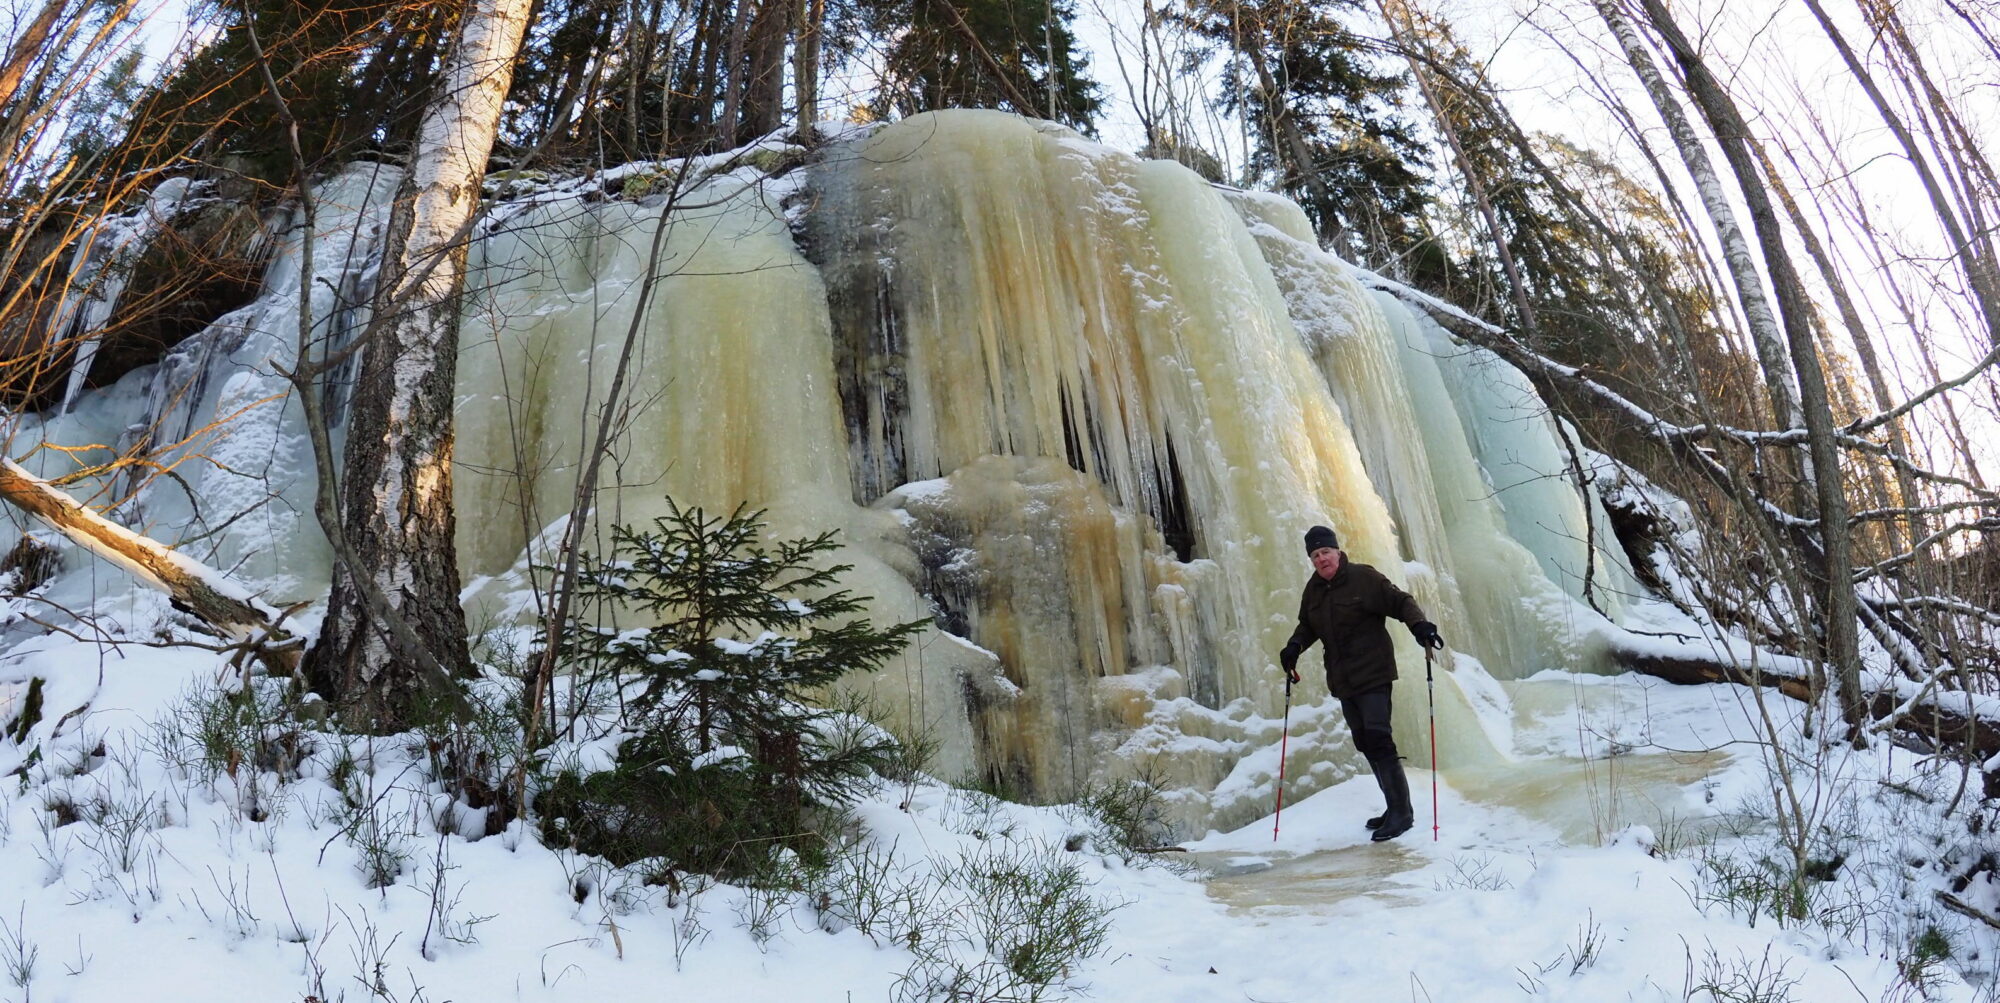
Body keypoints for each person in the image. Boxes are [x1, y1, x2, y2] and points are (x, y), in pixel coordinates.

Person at [1278, 524, 1445, 842]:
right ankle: (1393, 806)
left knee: (1379, 737)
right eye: (1315, 555)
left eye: (1325, 551)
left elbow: (1400, 601)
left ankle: (1403, 814)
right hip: (1343, 680)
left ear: (1337, 551)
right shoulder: (1313, 590)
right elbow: (1307, 625)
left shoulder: (1363, 578)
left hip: (1374, 672)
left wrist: (1420, 626)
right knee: (1365, 742)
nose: (1321, 559)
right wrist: (1294, 647)